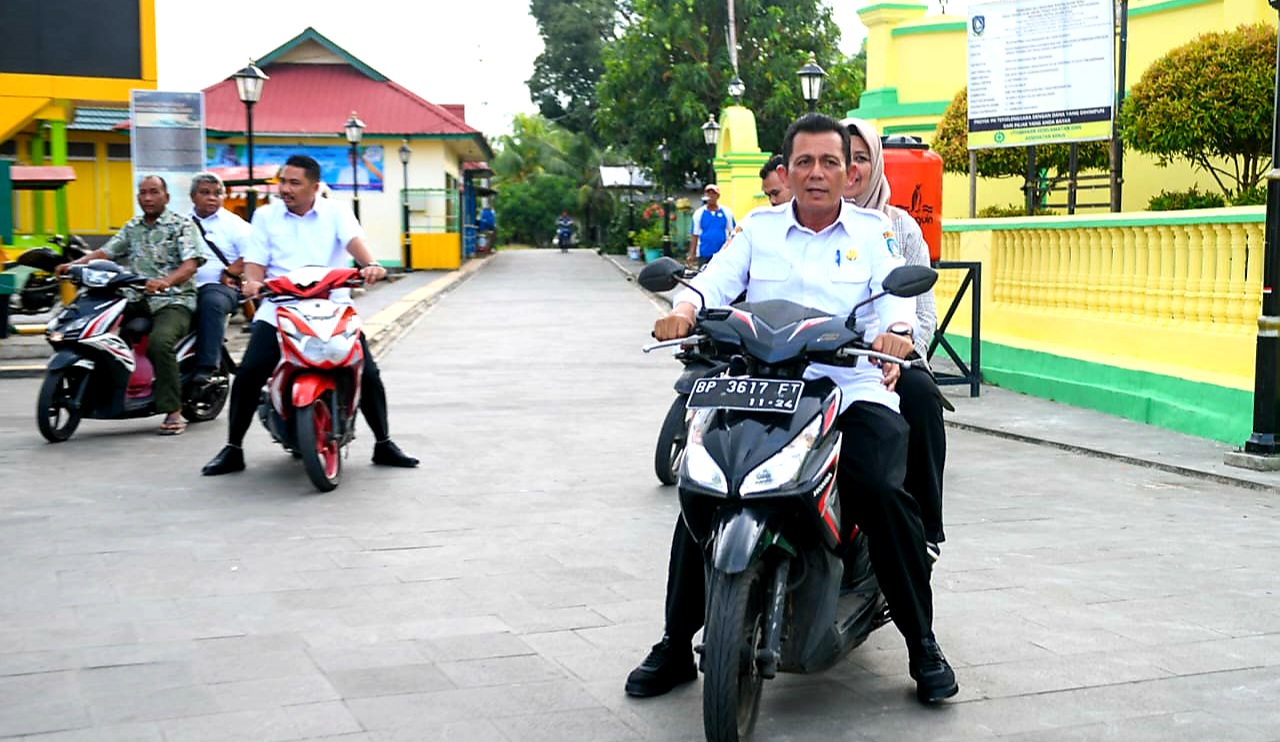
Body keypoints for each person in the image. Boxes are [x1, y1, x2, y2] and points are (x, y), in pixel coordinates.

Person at [625, 113, 957, 705]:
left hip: (846, 388)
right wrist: (683, 308)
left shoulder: (871, 233)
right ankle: (677, 643)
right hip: (760, 385)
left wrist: (898, 332)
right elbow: (713, 282)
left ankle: (921, 642)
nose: (817, 173)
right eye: (804, 162)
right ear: (786, 169)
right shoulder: (758, 228)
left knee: (881, 491)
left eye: (831, 162)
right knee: (704, 489)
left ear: (850, 169)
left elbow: (892, 298)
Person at [201, 154, 419, 475]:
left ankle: (384, 442)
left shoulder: (337, 212)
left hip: (333, 306)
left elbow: (355, 244)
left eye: (294, 183)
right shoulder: (265, 216)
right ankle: (234, 447)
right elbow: (256, 261)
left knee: (367, 372)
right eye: (283, 182)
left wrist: (370, 265)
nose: (285, 189)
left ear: (314, 187)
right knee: (249, 373)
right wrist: (251, 281)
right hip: (279, 308)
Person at [842, 117, 948, 560]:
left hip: (886, 362)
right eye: (838, 157)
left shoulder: (901, 228)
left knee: (921, 394)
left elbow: (923, 313)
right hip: (817, 359)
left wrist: (899, 349)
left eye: (860, 158)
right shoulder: (801, 221)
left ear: (877, 165)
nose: (849, 168)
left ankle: (924, 529)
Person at [56, 175, 203, 435]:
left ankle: (173, 410)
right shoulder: (132, 227)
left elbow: (190, 265)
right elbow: (106, 252)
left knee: (160, 343)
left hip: (173, 300)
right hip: (135, 298)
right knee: (96, 332)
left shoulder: (181, 226)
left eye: (154, 192)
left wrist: (165, 282)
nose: (147, 197)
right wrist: (75, 265)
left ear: (166, 197)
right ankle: (109, 391)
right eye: (143, 192)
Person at [188, 172, 250, 386]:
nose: (212, 198)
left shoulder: (235, 224)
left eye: (217, 193)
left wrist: (232, 271)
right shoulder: (180, 223)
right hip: (181, 286)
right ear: (193, 196)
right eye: (205, 193)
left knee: (211, 302)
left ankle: (206, 368)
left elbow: (255, 252)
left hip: (220, 287)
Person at [687, 184, 734, 267]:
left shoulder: (726, 212)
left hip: (722, 253)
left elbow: (733, 232)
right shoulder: (699, 213)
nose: (711, 196)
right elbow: (695, 235)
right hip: (704, 253)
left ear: (718, 196)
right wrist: (692, 254)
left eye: (713, 193)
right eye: (708, 194)